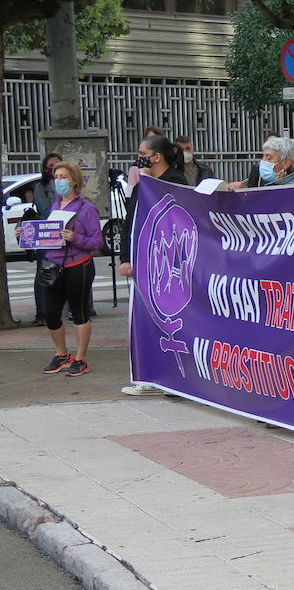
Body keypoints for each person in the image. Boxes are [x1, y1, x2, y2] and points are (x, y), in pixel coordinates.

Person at [118, 133, 187, 397]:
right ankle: (149, 374)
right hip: (143, 264)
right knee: (144, 321)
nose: (139, 158)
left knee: (172, 320)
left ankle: (175, 377)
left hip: (169, 268)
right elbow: (129, 224)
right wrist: (126, 258)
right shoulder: (142, 186)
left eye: (142, 153)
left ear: (155, 157)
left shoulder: (177, 183)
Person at [38, 162, 102, 378]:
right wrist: (27, 234)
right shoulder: (54, 207)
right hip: (53, 265)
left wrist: (76, 238)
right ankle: (61, 354)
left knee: (79, 313)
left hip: (78, 266)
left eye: (64, 176)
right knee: (49, 312)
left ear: (74, 180)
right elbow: (45, 234)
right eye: (56, 176)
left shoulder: (86, 209)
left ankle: (81, 358)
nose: (59, 181)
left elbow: (97, 241)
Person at [30, 152, 62, 326]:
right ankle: (41, 312)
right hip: (46, 233)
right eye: (51, 166)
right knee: (44, 271)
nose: (54, 169)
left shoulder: (67, 184)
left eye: (58, 165)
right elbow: (46, 211)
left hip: (65, 233)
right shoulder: (40, 187)